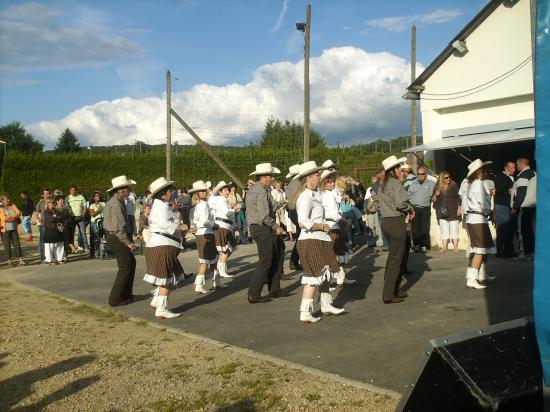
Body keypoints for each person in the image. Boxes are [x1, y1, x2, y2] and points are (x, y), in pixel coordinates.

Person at [291, 161, 345, 323]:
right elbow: (303, 222)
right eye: (316, 175)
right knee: (313, 277)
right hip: (310, 240)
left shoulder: (316, 194)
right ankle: (305, 313)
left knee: (326, 274)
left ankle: (326, 304)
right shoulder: (305, 196)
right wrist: (323, 226)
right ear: (308, 178)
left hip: (320, 239)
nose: (319, 177)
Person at [144, 177, 191, 319]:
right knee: (166, 280)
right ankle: (162, 309)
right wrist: (181, 225)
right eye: (169, 190)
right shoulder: (161, 206)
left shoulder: (162, 205)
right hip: (162, 245)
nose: (172, 192)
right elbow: (165, 224)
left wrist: (176, 218)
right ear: (163, 193)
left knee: (167, 277)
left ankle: (156, 302)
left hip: (163, 245)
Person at [245, 163, 286, 303]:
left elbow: (273, 206)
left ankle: (274, 289)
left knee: (279, 253)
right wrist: (276, 226)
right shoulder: (260, 191)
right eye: (270, 175)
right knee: (266, 260)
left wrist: (284, 202)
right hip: (262, 227)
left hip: (262, 227)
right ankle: (254, 294)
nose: (273, 178)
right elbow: (263, 215)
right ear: (263, 177)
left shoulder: (264, 189)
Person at [377, 156, 414, 304]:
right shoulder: (396, 184)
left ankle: (395, 288)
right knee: (396, 259)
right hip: (396, 221)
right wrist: (410, 208)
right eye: (399, 167)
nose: (401, 170)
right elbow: (401, 203)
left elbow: (380, 203)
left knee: (394, 257)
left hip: (386, 222)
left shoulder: (382, 185)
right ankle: (388, 293)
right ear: (394, 170)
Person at [103, 175, 139, 307]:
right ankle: (115, 299)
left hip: (116, 236)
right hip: (117, 237)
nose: (130, 190)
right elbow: (118, 229)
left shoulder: (117, 201)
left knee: (131, 263)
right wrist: (128, 242)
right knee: (125, 267)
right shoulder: (116, 204)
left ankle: (126, 295)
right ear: (121, 190)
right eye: (128, 188)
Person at [464, 159, 496, 289]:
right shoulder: (478, 184)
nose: (486, 172)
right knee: (480, 250)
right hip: (477, 218)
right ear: (479, 172)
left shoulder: (473, 184)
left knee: (484, 249)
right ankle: (472, 278)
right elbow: (483, 203)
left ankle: (481, 274)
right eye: (484, 170)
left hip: (477, 218)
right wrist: (490, 211)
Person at [320, 170, 355, 287]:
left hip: (333, 225)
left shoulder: (325, 194)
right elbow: (332, 213)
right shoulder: (327, 195)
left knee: (337, 254)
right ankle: (328, 283)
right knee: (335, 255)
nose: (332, 184)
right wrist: (341, 219)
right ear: (324, 183)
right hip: (333, 226)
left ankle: (342, 278)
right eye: (329, 182)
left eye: (332, 182)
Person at [190, 180, 222, 293]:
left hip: (205, 233)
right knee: (205, 260)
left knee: (213, 259)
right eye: (201, 191)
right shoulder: (202, 205)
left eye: (205, 190)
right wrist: (214, 225)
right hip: (205, 234)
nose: (204, 192)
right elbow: (204, 221)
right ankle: (198, 285)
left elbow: (196, 221)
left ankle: (216, 283)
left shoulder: (200, 205)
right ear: (197, 193)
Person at [210, 180, 240, 279]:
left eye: (228, 190)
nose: (228, 192)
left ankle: (220, 266)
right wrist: (234, 209)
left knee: (230, 248)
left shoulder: (223, 200)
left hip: (226, 226)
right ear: (220, 192)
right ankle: (221, 269)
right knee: (225, 249)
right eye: (226, 190)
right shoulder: (221, 200)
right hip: (222, 226)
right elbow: (227, 213)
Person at [406, 166, 436, 252]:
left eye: (422, 174)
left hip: (425, 208)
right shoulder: (413, 184)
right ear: (416, 174)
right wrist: (409, 209)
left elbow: (436, 192)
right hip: (415, 208)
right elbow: (408, 196)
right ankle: (417, 245)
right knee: (415, 228)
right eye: (418, 174)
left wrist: (435, 195)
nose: (420, 176)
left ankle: (424, 245)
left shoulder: (431, 183)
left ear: (425, 174)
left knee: (424, 228)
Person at [512, 158, 536, 259]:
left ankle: (523, 253)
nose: (517, 167)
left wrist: (515, 207)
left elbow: (521, 193)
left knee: (522, 230)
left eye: (517, 165)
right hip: (533, 205)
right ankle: (531, 252)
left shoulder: (523, 175)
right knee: (530, 230)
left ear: (521, 164)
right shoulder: (534, 173)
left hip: (525, 206)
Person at [432, 171, 461, 252]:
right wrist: (436, 195)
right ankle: (444, 247)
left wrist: (459, 208)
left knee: (454, 229)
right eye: (446, 178)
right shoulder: (438, 187)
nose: (449, 179)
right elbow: (433, 200)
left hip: (453, 210)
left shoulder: (454, 185)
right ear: (442, 179)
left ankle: (455, 247)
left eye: (449, 177)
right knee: (444, 229)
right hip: (442, 211)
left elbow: (459, 197)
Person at [493, 161, 516, 258]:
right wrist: (509, 190)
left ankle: (509, 251)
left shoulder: (512, 178)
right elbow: (498, 189)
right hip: (501, 206)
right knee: (502, 230)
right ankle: (500, 252)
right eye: (512, 168)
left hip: (508, 206)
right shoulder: (500, 177)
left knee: (509, 230)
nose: (514, 170)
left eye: (514, 168)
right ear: (506, 168)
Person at [284, 164, 302, 270]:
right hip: (297, 211)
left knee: (301, 236)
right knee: (301, 237)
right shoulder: (298, 183)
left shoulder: (291, 183)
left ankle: (294, 260)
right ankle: (294, 260)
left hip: (293, 211)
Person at [0, 194, 25, 267]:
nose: (8, 200)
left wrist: (10, 217)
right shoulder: (0, 208)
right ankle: (9, 262)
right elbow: (4, 218)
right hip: (5, 230)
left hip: (14, 228)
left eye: (8, 199)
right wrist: (13, 217)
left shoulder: (13, 205)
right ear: (2, 200)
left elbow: (18, 213)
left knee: (17, 244)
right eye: (6, 199)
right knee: (7, 246)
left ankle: (20, 260)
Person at [43, 196, 66, 266]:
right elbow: (51, 219)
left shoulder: (56, 211)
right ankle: (50, 260)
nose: (53, 203)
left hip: (57, 230)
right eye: (51, 202)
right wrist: (57, 218)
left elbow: (61, 218)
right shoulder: (46, 211)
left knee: (59, 245)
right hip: (49, 231)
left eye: (53, 202)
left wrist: (57, 218)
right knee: (50, 246)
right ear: (48, 204)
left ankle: (59, 259)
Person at [65, 185, 89, 253]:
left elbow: (85, 206)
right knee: (71, 234)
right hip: (72, 218)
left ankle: (86, 247)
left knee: (83, 233)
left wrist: (83, 214)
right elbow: (66, 208)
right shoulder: (67, 198)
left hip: (80, 218)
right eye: (72, 190)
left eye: (74, 190)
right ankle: (72, 248)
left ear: (76, 190)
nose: (73, 191)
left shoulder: (81, 197)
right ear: (69, 191)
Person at [35, 188, 51, 262]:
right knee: (42, 240)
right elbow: (37, 212)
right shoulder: (40, 202)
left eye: (48, 193)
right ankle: (43, 256)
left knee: (51, 239)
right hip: (43, 224)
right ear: (43, 195)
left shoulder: (52, 201)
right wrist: (39, 220)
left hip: (51, 223)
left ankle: (50, 255)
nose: (48, 194)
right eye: (46, 193)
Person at [89, 191, 105, 258]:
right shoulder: (92, 205)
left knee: (102, 236)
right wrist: (99, 210)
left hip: (103, 221)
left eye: (98, 195)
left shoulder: (103, 203)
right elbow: (92, 214)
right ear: (94, 198)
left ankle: (104, 250)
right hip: (94, 222)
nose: (98, 197)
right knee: (95, 237)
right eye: (96, 196)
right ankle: (94, 252)